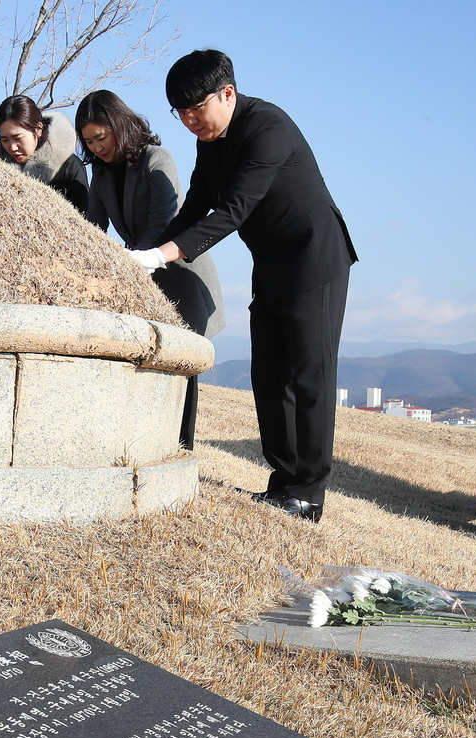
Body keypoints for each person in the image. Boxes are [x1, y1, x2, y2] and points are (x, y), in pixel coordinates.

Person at [133, 50, 357, 523]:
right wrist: (148, 251)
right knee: (269, 374)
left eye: (197, 109)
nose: (190, 121)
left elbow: (234, 210)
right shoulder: (211, 139)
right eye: (181, 113)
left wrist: (164, 255)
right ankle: (283, 482)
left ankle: (309, 493)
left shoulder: (267, 128)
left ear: (227, 93)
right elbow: (197, 203)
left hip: (315, 260)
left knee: (308, 375)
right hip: (273, 264)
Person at [75, 90, 225, 450]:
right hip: (142, 276)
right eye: (89, 142)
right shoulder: (101, 176)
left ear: (119, 126)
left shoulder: (157, 159)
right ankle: (150, 439)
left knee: (183, 362)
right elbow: (93, 226)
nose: (96, 148)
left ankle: (181, 445)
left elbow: (165, 220)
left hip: (182, 273)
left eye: (102, 137)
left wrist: (136, 258)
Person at [0, 95, 88, 215]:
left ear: (38, 129)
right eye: (4, 140)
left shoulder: (70, 166)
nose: (12, 147)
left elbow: (85, 221)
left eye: (18, 138)